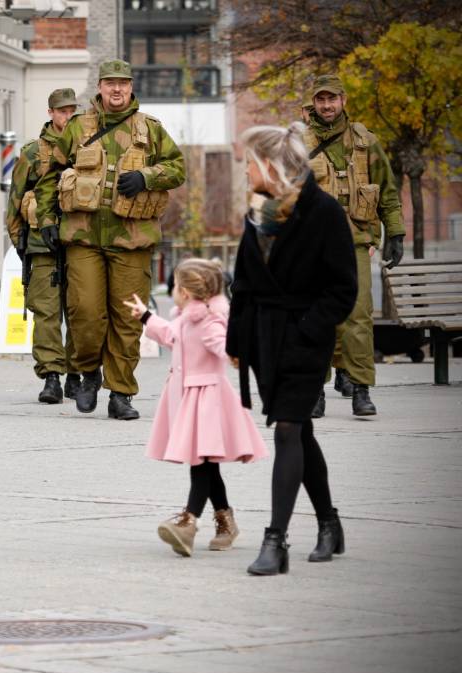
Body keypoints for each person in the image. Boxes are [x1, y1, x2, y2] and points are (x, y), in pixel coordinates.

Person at [227, 123, 357, 576]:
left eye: (249, 162)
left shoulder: (323, 211)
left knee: (287, 429)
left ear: (269, 164)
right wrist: (236, 340)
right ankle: (329, 522)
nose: (245, 170)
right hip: (264, 338)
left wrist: (308, 327)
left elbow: (344, 288)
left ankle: (275, 541)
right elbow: (242, 281)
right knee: (299, 432)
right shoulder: (258, 212)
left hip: (303, 339)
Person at [34, 59, 185, 420]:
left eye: (123, 84)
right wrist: (47, 219)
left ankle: (120, 393)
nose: (116, 90)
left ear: (131, 87)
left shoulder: (150, 129)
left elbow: (178, 167)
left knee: (126, 319)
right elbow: (48, 176)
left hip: (132, 239)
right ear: (99, 87)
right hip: (83, 238)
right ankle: (88, 372)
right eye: (109, 84)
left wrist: (147, 177)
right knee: (85, 313)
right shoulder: (77, 128)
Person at [125, 259, 267, 557]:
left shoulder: (210, 321)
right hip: (188, 399)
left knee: (201, 464)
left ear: (186, 292)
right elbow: (171, 336)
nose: (173, 291)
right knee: (205, 465)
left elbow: (224, 345)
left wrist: (237, 350)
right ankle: (226, 522)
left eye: (175, 286)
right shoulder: (186, 318)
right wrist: (146, 317)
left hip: (208, 401)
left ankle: (188, 523)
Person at [304, 75, 405, 418]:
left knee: (358, 316)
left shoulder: (365, 142)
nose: (327, 105)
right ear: (313, 103)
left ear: (344, 100)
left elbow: (387, 192)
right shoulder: (298, 143)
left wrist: (396, 233)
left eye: (332, 99)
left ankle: (361, 389)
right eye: (321, 100)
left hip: (355, 242)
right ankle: (315, 390)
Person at [5, 88, 79, 403]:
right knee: (46, 312)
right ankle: (51, 375)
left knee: (81, 311)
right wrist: (20, 243)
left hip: (79, 242)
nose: (67, 116)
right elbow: (15, 201)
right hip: (41, 245)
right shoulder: (33, 153)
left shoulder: (87, 149)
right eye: (62, 111)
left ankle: (77, 373)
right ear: (51, 113)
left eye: (72, 111)